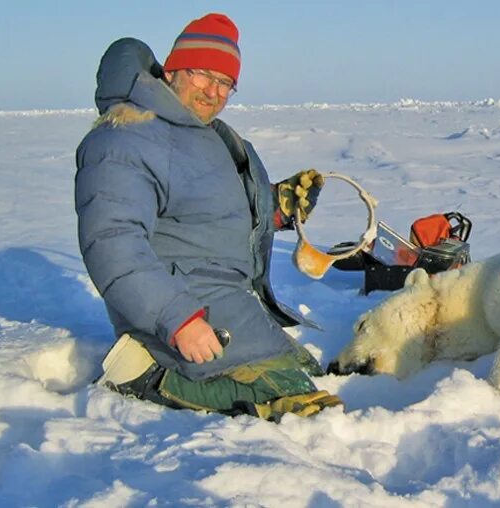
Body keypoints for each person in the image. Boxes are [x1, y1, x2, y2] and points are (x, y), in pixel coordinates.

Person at [75, 13, 340, 421]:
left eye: (225, 82)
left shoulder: (208, 134)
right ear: (175, 68)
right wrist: (177, 319)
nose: (213, 91)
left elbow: (210, 214)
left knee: (305, 372)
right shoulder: (126, 138)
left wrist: (277, 207)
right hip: (182, 315)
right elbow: (113, 242)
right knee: (299, 407)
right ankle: (143, 374)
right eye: (203, 74)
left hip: (229, 305)